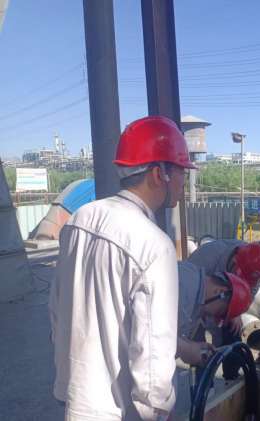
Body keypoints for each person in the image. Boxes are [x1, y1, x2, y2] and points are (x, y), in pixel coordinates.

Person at [49, 116, 197, 421]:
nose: (184, 182)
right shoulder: (154, 245)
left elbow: (57, 308)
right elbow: (153, 352)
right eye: (181, 171)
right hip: (117, 410)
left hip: (76, 398)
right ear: (159, 174)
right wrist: (158, 409)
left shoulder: (78, 221)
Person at [186, 240, 260, 383]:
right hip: (196, 298)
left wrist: (235, 313)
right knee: (195, 335)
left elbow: (246, 300)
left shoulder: (254, 275)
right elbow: (185, 291)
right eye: (238, 275)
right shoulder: (205, 259)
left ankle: (231, 378)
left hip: (221, 297)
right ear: (234, 260)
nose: (240, 281)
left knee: (234, 327)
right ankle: (202, 386)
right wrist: (196, 315)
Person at [176, 262, 252, 366]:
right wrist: (185, 348)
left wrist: (189, 345)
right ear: (220, 291)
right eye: (220, 312)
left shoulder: (193, 285)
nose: (211, 316)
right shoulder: (185, 286)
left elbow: (166, 330)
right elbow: (153, 330)